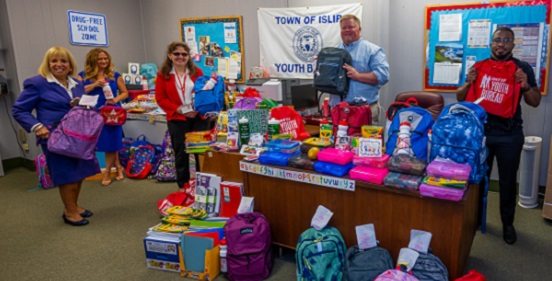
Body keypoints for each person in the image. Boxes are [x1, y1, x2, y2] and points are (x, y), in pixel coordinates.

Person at [456, 27, 541, 245]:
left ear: (513, 45)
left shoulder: (521, 68)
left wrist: (525, 84)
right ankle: (475, 220)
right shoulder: (479, 66)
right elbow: (461, 98)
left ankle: (507, 223)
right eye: (497, 40)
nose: (501, 44)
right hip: (481, 134)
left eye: (506, 40)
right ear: (491, 44)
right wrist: (468, 81)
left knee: (507, 181)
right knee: (477, 179)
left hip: (510, 135)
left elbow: (535, 101)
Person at [12, 46, 101, 226]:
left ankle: (74, 205)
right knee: (66, 174)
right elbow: (19, 110)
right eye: (54, 61)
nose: (59, 65)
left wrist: (83, 105)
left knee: (79, 172)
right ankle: (69, 212)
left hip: (78, 136)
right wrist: (37, 126)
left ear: (70, 65)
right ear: (48, 64)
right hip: (54, 137)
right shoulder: (37, 83)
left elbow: (84, 107)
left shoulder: (78, 84)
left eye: (63, 61)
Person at [155, 42, 209, 190]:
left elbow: (203, 93)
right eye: (177, 54)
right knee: (181, 153)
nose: (180, 57)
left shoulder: (197, 72)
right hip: (177, 118)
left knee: (200, 152)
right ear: (170, 55)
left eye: (184, 54)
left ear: (188, 56)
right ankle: (183, 187)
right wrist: (178, 109)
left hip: (197, 117)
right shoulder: (163, 75)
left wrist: (198, 109)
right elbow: (160, 98)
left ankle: (202, 186)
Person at [77, 48, 129, 186]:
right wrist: (94, 84)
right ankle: (118, 167)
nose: (103, 61)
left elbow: (125, 93)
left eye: (105, 58)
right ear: (92, 60)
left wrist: (116, 99)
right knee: (99, 142)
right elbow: (77, 92)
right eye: (100, 58)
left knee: (111, 142)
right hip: (91, 113)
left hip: (111, 114)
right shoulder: (82, 76)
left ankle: (106, 172)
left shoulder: (114, 75)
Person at [329, 14, 390, 125]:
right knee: (337, 142)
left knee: (366, 143)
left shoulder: (373, 50)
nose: (347, 30)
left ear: (359, 29)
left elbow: (383, 76)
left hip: (364, 111)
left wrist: (358, 76)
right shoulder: (333, 52)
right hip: (338, 111)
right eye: (344, 28)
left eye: (351, 27)